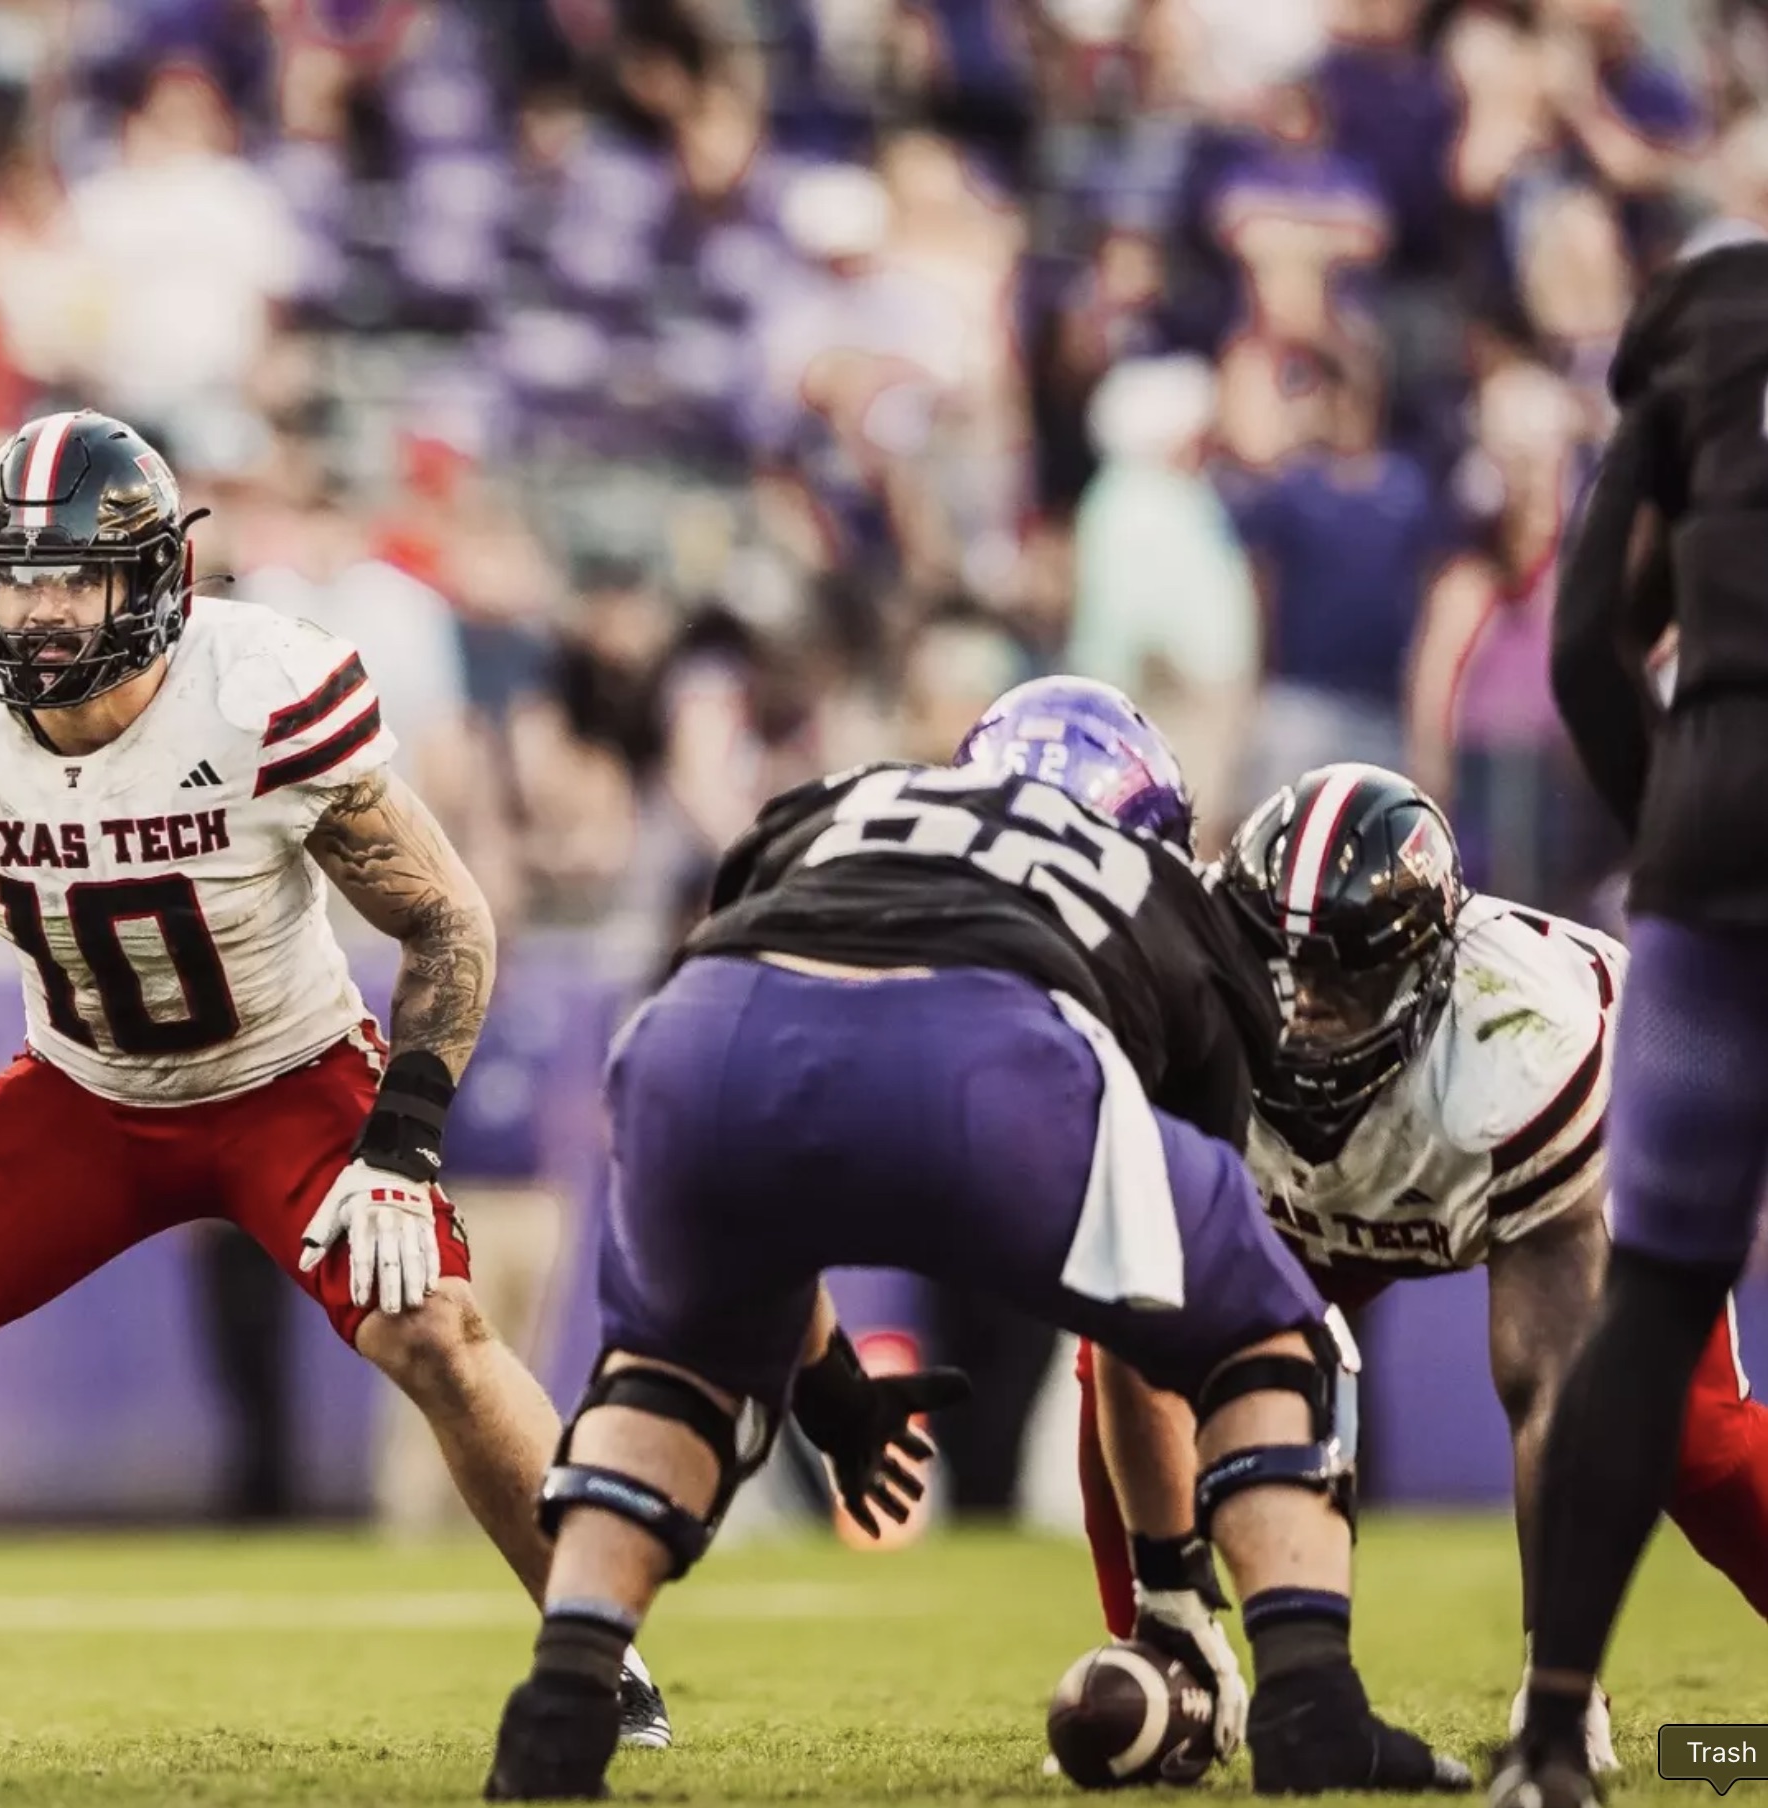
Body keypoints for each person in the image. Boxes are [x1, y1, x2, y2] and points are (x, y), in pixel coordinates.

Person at [0, 409, 671, 1754]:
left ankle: (599, 1658)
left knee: (432, 1323)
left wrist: (401, 1145)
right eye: (12, 575)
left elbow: (452, 924)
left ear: (152, 578)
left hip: (286, 1078)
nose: (36, 609)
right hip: (84, 1092)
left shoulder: (265, 689)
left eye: (70, 575)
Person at [483, 677, 1474, 1801]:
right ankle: (1314, 1708)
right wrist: (1169, 1591)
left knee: (668, 1381)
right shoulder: (1164, 894)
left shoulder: (833, 799)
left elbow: (766, 1057)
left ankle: (558, 1713)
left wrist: (831, 1384)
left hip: (699, 1044)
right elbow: (1158, 1327)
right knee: (1272, 1338)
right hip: (995, 1053)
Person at [1071, 764, 1767, 1782]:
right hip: (1316, 1183)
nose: (1302, 1008)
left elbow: (1551, 1393)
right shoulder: (1191, 984)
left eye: (1340, 977)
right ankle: (1165, 1648)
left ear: (1423, 968)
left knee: (1685, 1440)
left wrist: (1557, 1683)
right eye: (1280, 964)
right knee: (1125, 1350)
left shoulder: (1528, 1041)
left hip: (1495, 1160)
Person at [1493, 216, 1768, 1808]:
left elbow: (1595, 641)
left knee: (1655, 1298)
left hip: (1721, 829)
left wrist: (1680, 823)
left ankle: (1550, 1742)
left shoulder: (1714, 322)